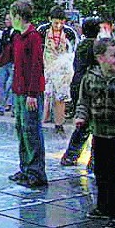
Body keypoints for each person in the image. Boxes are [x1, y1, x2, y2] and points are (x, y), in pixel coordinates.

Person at [74, 38, 115, 228]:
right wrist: (80, 117)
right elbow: (83, 102)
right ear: (100, 58)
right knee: (101, 173)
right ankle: (103, 207)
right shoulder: (90, 78)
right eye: (114, 55)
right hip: (100, 134)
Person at [0, 0, 47, 188]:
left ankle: (37, 173)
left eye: (11, 15)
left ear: (18, 16)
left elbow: (37, 66)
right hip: (19, 91)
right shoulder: (17, 36)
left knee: (32, 131)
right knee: (21, 129)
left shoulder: (33, 37)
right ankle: (25, 169)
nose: (9, 19)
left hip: (29, 93)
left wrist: (33, 94)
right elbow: (5, 58)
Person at [61, 17, 101, 167]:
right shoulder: (96, 47)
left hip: (78, 85)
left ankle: (71, 155)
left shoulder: (82, 45)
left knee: (83, 123)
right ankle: (94, 160)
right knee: (96, 123)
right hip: (90, 88)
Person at [38, 7, 77, 135]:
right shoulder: (42, 31)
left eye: (61, 23)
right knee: (45, 95)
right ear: (50, 20)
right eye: (55, 23)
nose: (58, 25)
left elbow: (73, 52)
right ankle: (41, 122)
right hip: (46, 67)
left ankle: (59, 124)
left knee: (60, 98)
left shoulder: (70, 33)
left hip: (62, 70)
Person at [0, 14, 14, 117]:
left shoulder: (17, 33)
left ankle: (13, 108)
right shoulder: (5, 32)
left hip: (12, 62)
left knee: (11, 85)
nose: (6, 21)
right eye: (6, 19)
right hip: (4, 62)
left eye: (8, 19)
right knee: (1, 85)